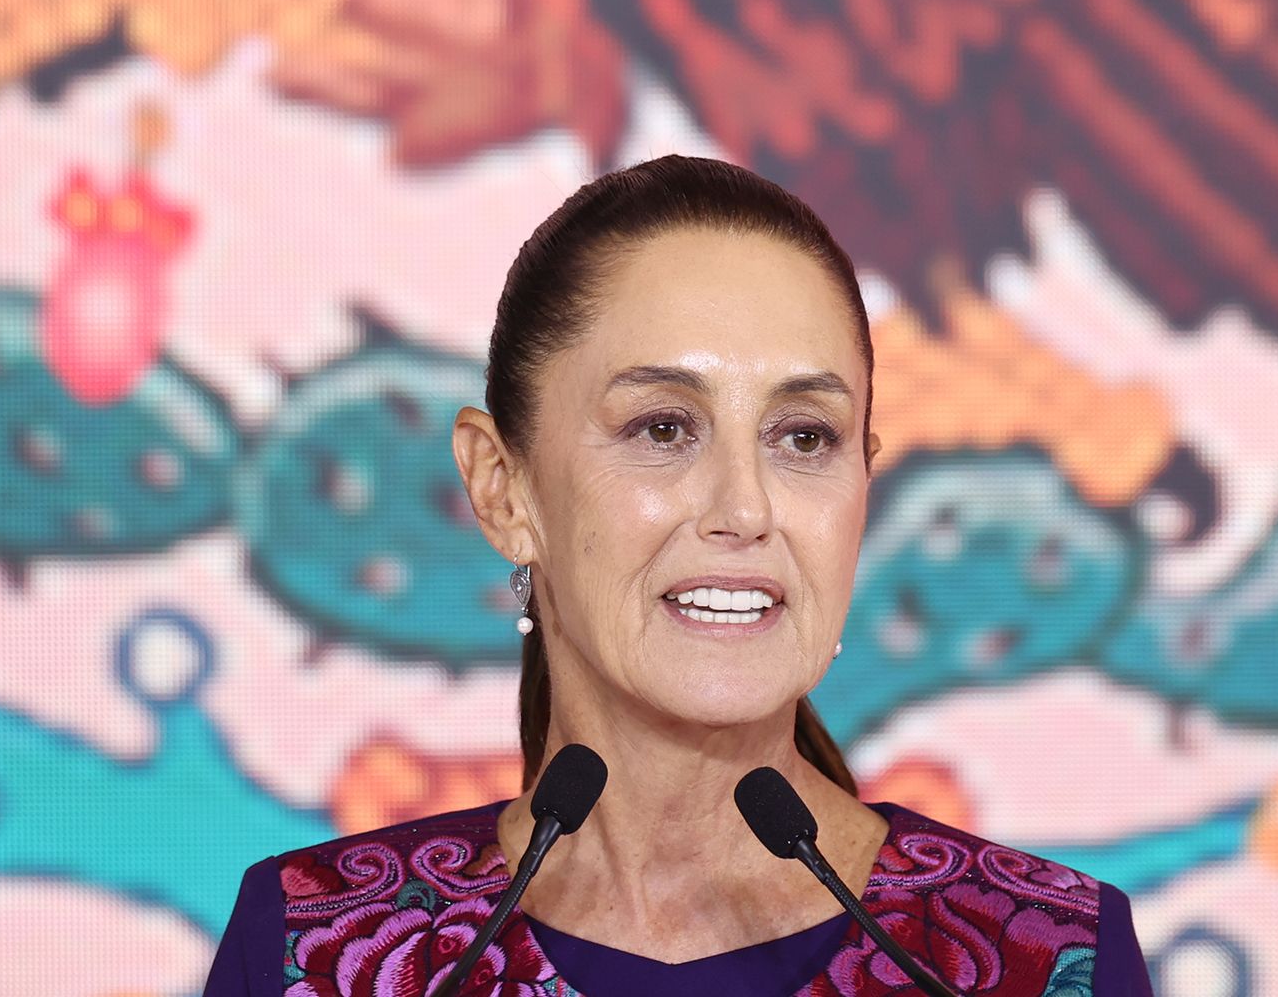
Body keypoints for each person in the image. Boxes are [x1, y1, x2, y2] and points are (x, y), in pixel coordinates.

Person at [204, 155, 1154, 995]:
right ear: (504, 490)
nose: (744, 508)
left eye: (804, 437)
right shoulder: (312, 953)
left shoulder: (1048, 959)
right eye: (663, 428)